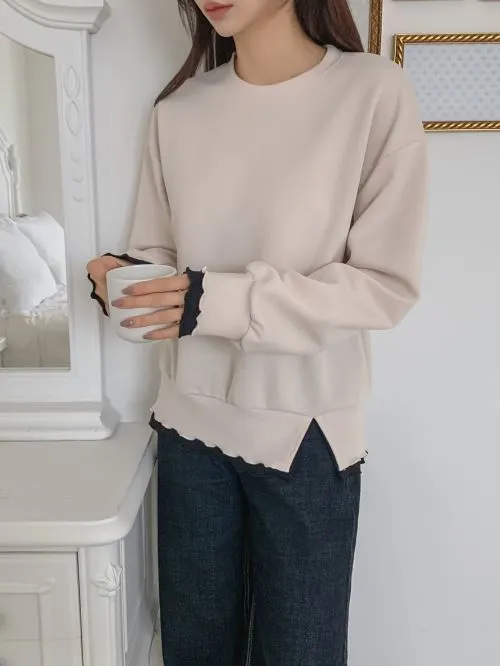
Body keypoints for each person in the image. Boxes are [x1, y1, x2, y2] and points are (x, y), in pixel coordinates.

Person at [87, 0, 427, 662]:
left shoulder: (372, 91)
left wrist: (212, 300)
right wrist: (121, 279)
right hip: (188, 430)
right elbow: (160, 255)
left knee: (301, 653)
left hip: (306, 436)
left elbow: (383, 286)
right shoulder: (179, 111)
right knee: (194, 651)